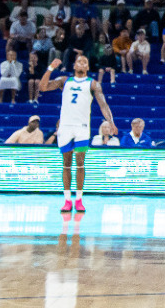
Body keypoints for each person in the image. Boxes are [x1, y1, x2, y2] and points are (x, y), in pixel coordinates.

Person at [38, 54, 115, 213]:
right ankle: (67, 200)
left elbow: (103, 105)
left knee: (80, 162)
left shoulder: (93, 84)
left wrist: (111, 122)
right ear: (74, 65)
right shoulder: (64, 80)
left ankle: (79, 199)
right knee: (66, 163)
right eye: (79, 61)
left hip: (82, 127)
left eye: (84, 62)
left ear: (87, 67)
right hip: (65, 126)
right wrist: (50, 68)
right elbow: (42, 87)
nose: (81, 63)